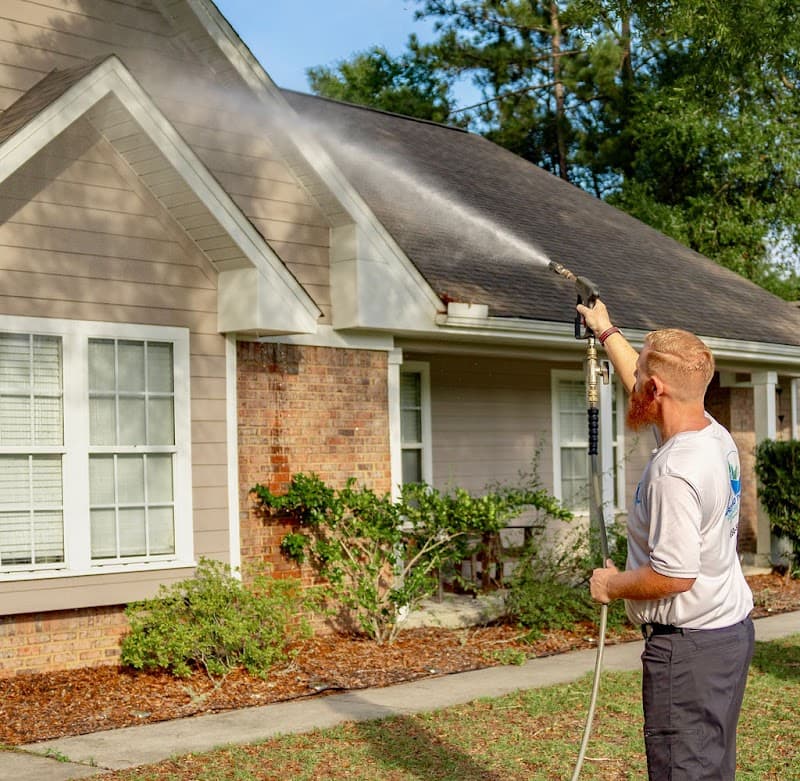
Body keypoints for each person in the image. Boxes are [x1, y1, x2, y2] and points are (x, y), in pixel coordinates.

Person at [577, 298, 754, 781]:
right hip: (726, 635)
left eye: (640, 382)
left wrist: (611, 586)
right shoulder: (712, 436)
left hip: (688, 653)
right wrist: (606, 330)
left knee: (684, 773)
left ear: (655, 391)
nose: (632, 384)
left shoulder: (674, 471)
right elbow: (647, 375)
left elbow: (675, 576)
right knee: (709, 768)